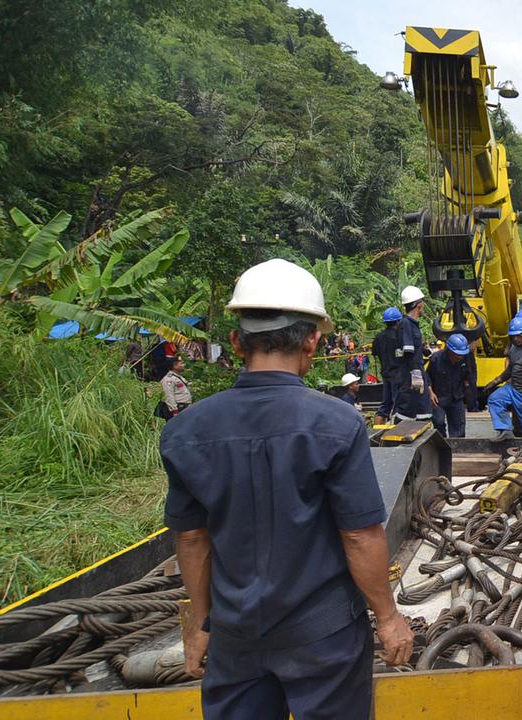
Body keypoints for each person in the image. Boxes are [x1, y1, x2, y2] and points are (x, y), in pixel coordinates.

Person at [160, 258, 413, 719]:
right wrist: (388, 616)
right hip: (324, 637)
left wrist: (202, 623)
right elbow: (359, 535)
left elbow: (192, 539)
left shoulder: (185, 431)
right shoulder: (338, 423)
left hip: (235, 638)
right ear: (312, 340)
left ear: (236, 341)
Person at [392, 285, 433, 423]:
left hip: (416, 372)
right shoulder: (406, 324)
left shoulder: (412, 324)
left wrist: (427, 351)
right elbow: (408, 352)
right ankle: (398, 431)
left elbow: (415, 347)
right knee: (407, 409)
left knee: (423, 410)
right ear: (419, 305)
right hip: (410, 374)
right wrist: (415, 374)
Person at [426, 334, 477, 438]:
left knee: (459, 427)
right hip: (438, 398)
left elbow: (469, 376)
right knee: (438, 422)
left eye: (461, 355)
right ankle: (441, 444)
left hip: (456, 397)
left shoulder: (466, 358)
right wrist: (430, 393)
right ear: (449, 350)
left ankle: (457, 446)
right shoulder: (436, 358)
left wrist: (469, 396)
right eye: (457, 355)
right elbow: (427, 377)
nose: (460, 357)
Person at [371, 307, 402, 424]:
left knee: (385, 405)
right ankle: (397, 430)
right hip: (398, 374)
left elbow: (375, 353)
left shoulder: (379, 337)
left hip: (385, 373)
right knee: (398, 404)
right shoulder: (399, 336)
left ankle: (375, 432)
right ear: (398, 321)